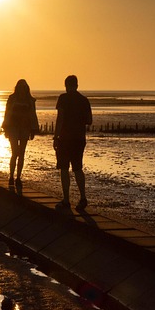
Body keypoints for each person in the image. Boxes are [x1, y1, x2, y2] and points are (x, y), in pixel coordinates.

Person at [53, 75, 92, 211]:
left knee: (64, 168)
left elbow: (60, 118)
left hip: (65, 138)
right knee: (78, 168)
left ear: (66, 85)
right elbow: (89, 120)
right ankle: (82, 197)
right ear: (77, 85)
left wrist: (55, 137)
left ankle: (66, 200)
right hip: (79, 138)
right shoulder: (84, 100)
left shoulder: (63, 98)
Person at [2, 79, 39, 194]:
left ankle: (18, 177)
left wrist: (33, 129)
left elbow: (33, 114)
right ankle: (11, 176)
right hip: (13, 127)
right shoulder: (12, 98)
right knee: (14, 153)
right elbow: (7, 113)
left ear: (26, 88)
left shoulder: (30, 100)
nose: (22, 89)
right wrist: (5, 128)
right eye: (20, 86)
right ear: (17, 87)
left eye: (24, 87)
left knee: (21, 153)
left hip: (25, 128)